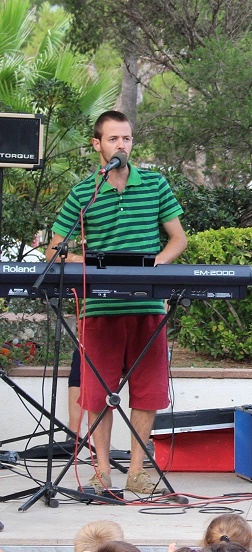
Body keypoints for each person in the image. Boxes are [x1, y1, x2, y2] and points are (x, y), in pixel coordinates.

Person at [45, 110, 188, 496]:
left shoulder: (155, 184)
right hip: (99, 309)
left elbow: (178, 239)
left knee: (148, 389)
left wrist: (156, 266)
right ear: (98, 145)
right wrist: (85, 262)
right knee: (97, 392)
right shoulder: (82, 192)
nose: (121, 145)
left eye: (126, 138)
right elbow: (54, 248)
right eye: (113, 139)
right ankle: (102, 472)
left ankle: (138, 473)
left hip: (147, 308)